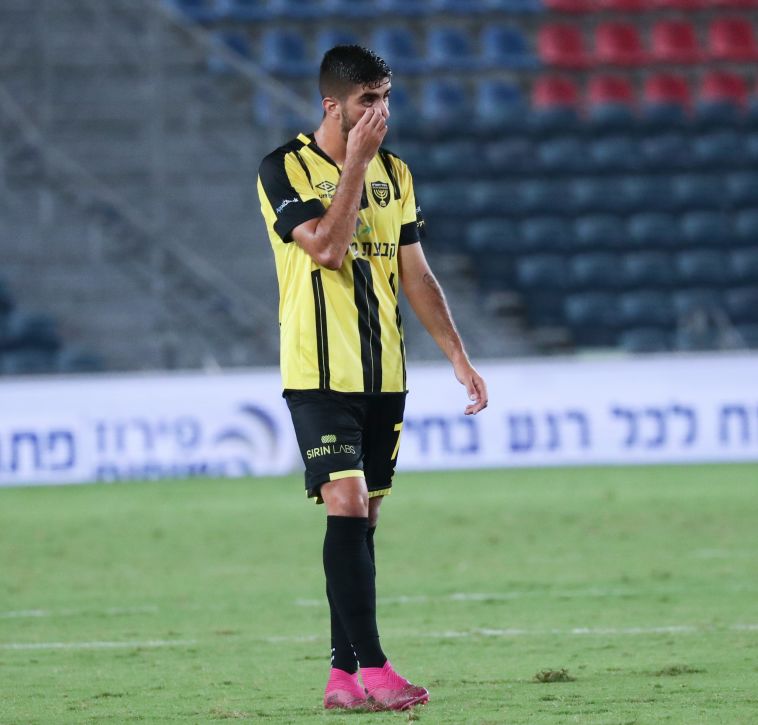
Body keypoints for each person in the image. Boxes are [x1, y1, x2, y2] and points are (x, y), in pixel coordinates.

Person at [256, 45, 488, 712]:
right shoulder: (283, 168)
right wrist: (354, 164)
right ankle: (377, 668)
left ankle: (342, 676)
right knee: (348, 503)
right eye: (368, 100)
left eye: (386, 97)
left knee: (364, 521)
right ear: (332, 104)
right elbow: (327, 249)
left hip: (385, 374)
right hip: (319, 372)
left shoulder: (398, 173)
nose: (381, 112)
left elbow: (415, 272)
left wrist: (457, 355)